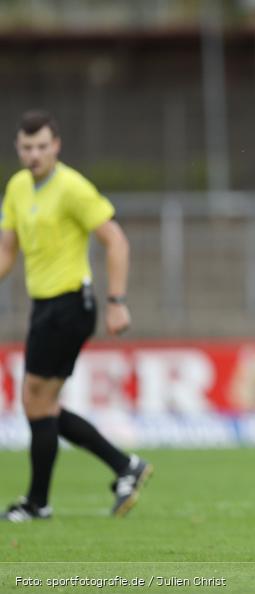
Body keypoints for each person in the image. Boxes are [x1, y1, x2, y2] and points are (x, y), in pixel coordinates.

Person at [0, 110, 152, 521]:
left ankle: (38, 503)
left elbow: (115, 240)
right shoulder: (16, 187)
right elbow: (7, 251)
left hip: (71, 304)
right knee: (41, 405)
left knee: (35, 400)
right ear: (18, 148)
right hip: (45, 307)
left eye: (42, 146)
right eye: (27, 147)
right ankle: (124, 466)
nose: (34, 154)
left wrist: (116, 300)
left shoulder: (71, 187)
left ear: (56, 146)